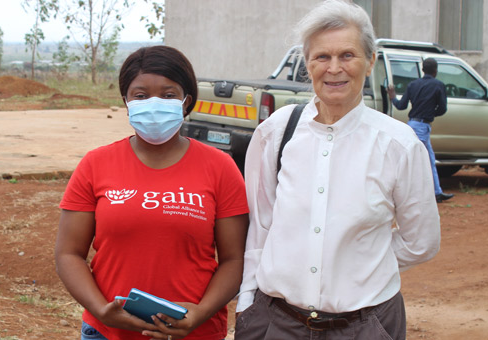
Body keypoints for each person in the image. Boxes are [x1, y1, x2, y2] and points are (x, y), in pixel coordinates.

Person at [234, 1, 441, 339]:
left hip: (366, 326)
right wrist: (246, 309)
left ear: (370, 61)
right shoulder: (276, 133)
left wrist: (359, 262)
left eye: (347, 55)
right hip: (278, 323)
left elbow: (422, 242)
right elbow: (260, 230)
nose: (334, 69)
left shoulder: (398, 145)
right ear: (307, 64)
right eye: (321, 57)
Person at [55, 45, 249, 340]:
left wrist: (200, 312)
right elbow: (69, 253)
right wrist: (100, 309)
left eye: (168, 95)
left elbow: (234, 259)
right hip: (107, 333)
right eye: (141, 95)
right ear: (126, 101)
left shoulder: (220, 167)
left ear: (186, 102)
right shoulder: (96, 164)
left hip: (196, 332)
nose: (154, 103)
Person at [388, 58, 454, 203]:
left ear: (422, 70)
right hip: (423, 126)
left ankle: (436, 191)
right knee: (415, 160)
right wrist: (430, 113)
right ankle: (408, 195)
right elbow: (442, 109)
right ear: (435, 71)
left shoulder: (413, 85)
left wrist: (393, 97)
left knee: (428, 159)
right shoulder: (438, 85)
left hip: (412, 124)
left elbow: (401, 106)